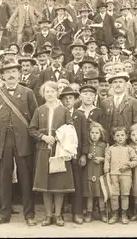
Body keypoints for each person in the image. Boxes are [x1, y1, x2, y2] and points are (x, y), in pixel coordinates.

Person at [0, 61, 37, 226]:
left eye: (14, 71)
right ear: (2, 75)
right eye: (7, 72)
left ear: (19, 73)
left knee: (25, 178)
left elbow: (34, 119)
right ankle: (4, 214)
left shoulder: (28, 92)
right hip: (3, 140)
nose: (10, 75)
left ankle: (29, 215)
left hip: (23, 140)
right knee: (4, 178)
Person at [29, 81, 75, 227]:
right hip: (43, 150)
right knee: (45, 184)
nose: (49, 94)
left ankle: (58, 215)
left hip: (59, 150)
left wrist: (58, 137)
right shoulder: (39, 110)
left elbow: (70, 128)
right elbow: (31, 129)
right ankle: (48, 215)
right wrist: (43, 137)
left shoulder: (63, 110)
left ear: (57, 93)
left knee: (59, 183)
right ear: (43, 94)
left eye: (52, 91)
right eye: (47, 91)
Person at [58, 86, 88, 225]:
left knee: (77, 183)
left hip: (76, 154)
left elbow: (84, 135)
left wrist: (84, 154)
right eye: (64, 98)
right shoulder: (58, 114)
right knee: (61, 182)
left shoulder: (80, 115)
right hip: (62, 154)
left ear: (76, 99)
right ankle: (60, 213)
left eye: (70, 98)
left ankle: (77, 212)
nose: (67, 100)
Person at [104, 126, 137, 224]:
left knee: (125, 195)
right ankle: (115, 214)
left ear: (126, 136)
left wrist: (128, 166)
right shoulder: (110, 149)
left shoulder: (129, 149)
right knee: (114, 195)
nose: (120, 137)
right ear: (114, 137)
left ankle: (124, 214)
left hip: (126, 175)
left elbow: (136, 160)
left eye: (122, 135)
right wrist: (106, 170)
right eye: (117, 135)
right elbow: (107, 160)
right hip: (113, 174)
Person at [83, 122, 108, 223]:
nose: (94, 135)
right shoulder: (87, 145)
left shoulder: (103, 145)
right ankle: (89, 212)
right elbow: (84, 157)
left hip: (99, 173)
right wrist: (87, 156)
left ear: (101, 134)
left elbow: (108, 158)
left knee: (100, 193)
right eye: (92, 133)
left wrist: (102, 159)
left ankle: (102, 212)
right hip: (89, 172)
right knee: (90, 193)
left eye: (97, 133)